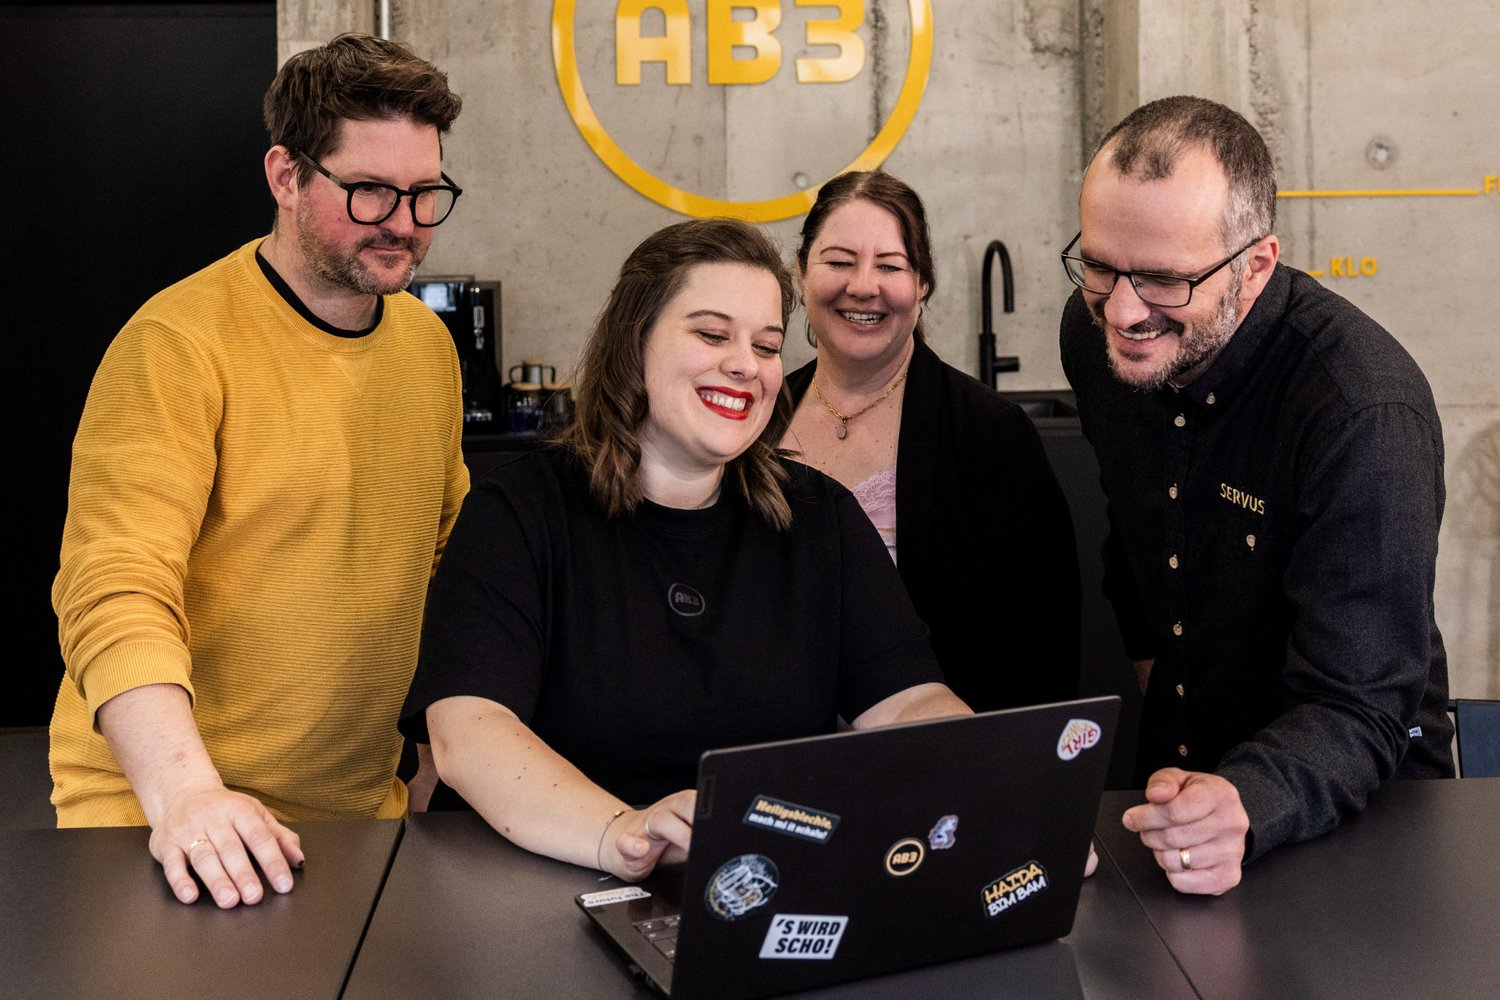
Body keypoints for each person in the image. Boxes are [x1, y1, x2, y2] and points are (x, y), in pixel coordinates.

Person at [399, 218, 973, 882]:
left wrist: (992, 789)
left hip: (750, 888)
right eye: (710, 333)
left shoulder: (821, 518)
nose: (745, 364)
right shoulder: (520, 511)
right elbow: (469, 732)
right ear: (633, 340)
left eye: (765, 345)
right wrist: (620, 833)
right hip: (538, 890)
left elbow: (907, 703)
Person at [48, 33, 468, 908]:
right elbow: (113, 585)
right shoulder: (177, 344)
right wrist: (186, 792)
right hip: (159, 814)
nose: (405, 223)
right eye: (370, 192)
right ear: (285, 175)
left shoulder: (427, 347)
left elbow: (444, 563)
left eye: (427, 194)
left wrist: (441, 749)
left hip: (359, 812)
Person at [1058, 95, 1453, 895]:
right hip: (1179, 788)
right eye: (1100, 265)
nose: (1124, 311)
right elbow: (1130, 544)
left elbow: (1362, 702)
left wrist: (1246, 796)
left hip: (1364, 817)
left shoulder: (1361, 408)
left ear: (1256, 265)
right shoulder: (1091, 330)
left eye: (1165, 280)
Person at [782, 171, 1081, 712]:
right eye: (839, 261)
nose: (863, 285)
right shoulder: (756, 420)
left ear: (922, 284)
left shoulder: (990, 434)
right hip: (765, 757)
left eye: (890, 265)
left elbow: (1043, 647)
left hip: (939, 761)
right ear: (801, 272)